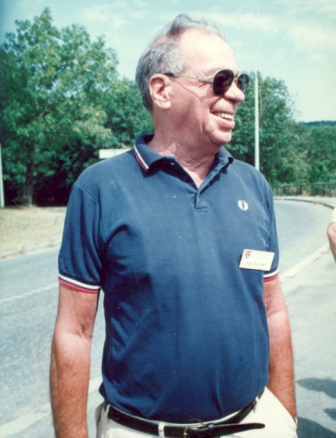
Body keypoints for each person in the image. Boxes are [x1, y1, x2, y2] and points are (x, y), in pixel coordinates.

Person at [50, 14, 298, 438]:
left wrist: (286, 418)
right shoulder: (99, 189)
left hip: (256, 424)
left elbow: (273, 309)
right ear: (162, 90)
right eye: (220, 81)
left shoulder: (254, 186)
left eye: (241, 81)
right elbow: (73, 334)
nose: (236, 94)